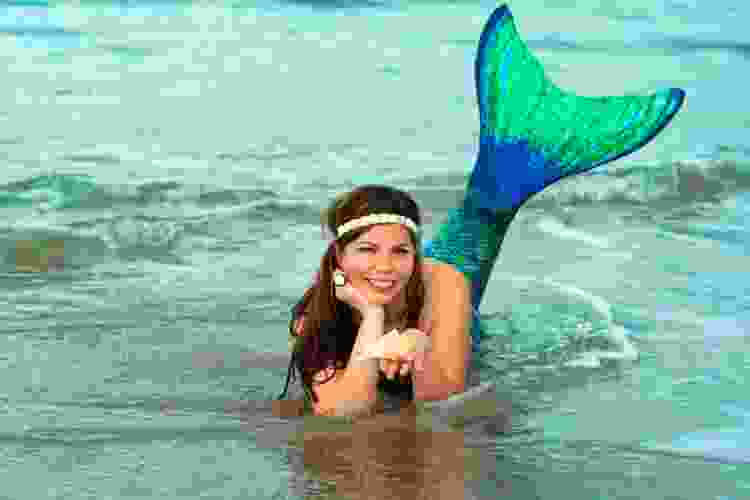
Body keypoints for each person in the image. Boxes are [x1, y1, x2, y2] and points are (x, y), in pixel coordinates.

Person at [277, 4, 685, 418]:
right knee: (487, 210)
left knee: (478, 333)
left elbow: (438, 399)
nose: (384, 265)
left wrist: (419, 346)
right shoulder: (314, 315)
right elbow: (343, 410)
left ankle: (509, 163)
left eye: (401, 251)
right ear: (338, 257)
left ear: (417, 257)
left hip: (449, 315)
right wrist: (371, 317)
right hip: (396, 311)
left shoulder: (444, 283)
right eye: (367, 250)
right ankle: (510, 164)